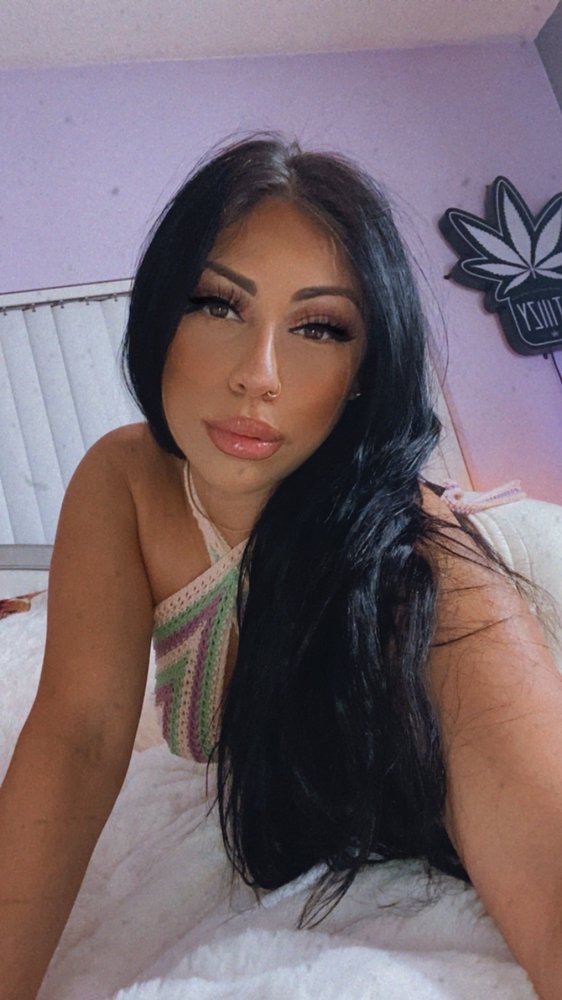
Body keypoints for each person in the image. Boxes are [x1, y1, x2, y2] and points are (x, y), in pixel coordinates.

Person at [0, 134, 560, 1000]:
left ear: (364, 369)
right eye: (217, 305)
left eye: (319, 327)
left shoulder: (418, 564)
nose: (258, 376)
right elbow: (79, 738)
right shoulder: (125, 482)